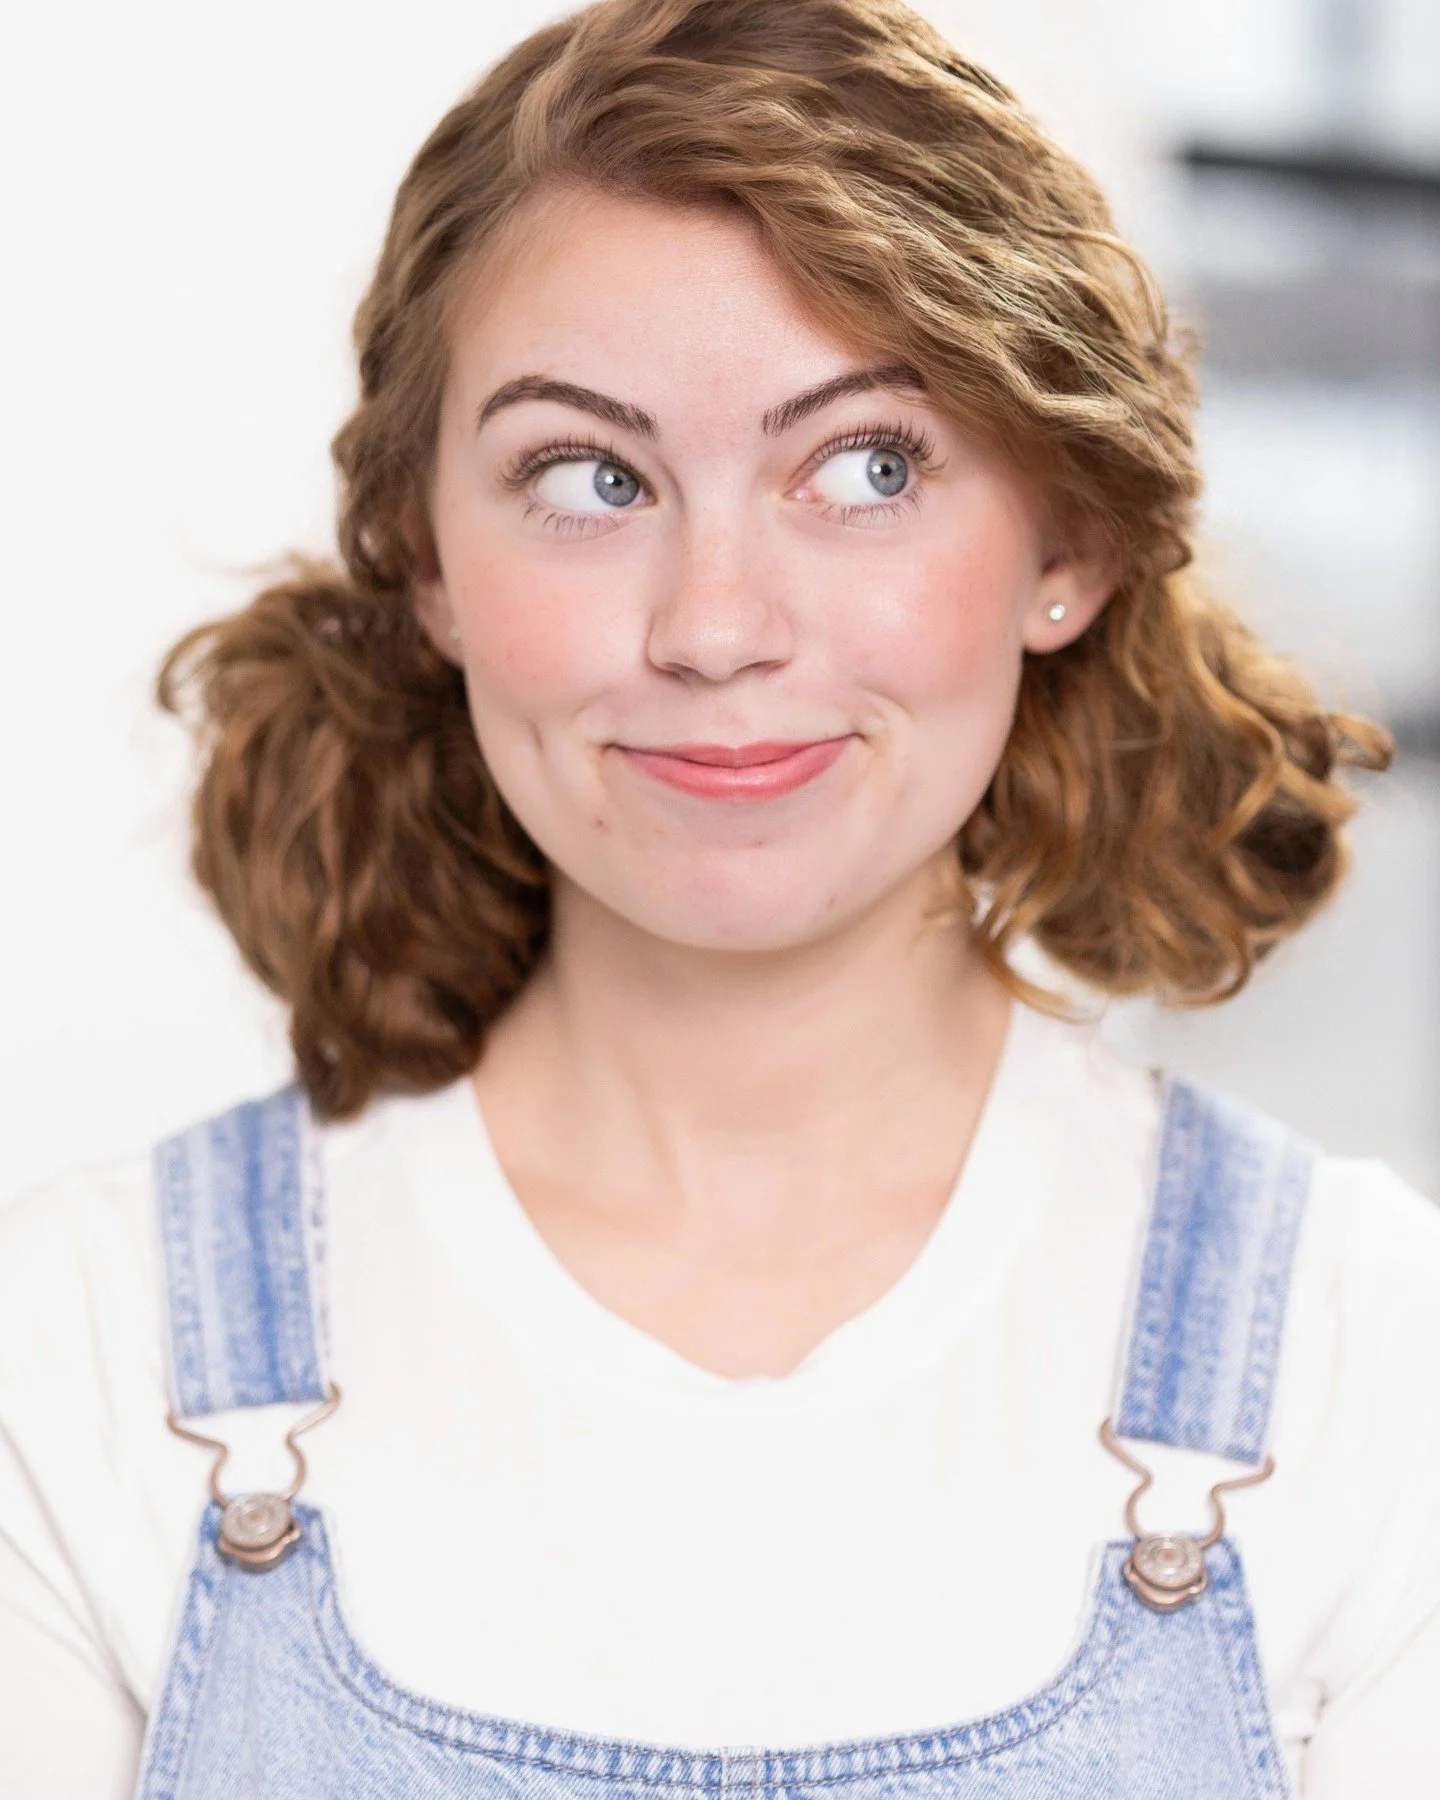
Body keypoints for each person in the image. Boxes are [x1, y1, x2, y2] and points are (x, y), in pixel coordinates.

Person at [2, 0, 1436, 1794]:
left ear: (1065, 544)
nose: (713, 627)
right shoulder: (80, 1344)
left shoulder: (1369, 1355)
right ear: (431, 564)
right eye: (590, 480)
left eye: (867, 466)